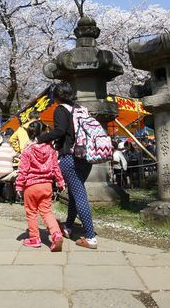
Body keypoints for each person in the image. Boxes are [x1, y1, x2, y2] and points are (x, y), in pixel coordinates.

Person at [36, 82, 97, 249]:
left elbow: (60, 131)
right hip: (85, 157)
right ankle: (69, 227)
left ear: (56, 96)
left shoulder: (60, 110)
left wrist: (40, 138)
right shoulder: (79, 108)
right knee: (75, 193)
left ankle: (90, 237)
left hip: (70, 157)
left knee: (79, 195)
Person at [16, 121, 65, 251]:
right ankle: (56, 233)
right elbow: (55, 167)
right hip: (46, 185)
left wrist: (19, 186)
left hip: (31, 185)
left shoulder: (28, 150)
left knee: (31, 212)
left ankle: (34, 238)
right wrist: (60, 182)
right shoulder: (50, 149)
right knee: (47, 211)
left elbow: (23, 169)